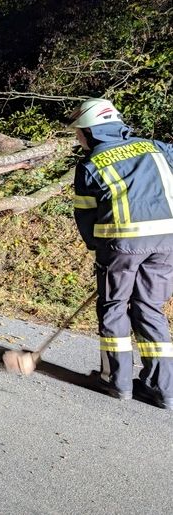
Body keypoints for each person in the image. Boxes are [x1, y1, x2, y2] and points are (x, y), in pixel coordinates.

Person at [70, 98, 173, 409]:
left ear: (91, 131)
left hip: (120, 245)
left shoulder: (90, 164)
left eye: (79, 133)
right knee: (150, 308)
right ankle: (162, 389)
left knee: (114, 307)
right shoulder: (158, 147)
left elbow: (86, 217)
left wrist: (96, 248)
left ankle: (118, 383)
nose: (79, 139)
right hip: (167, 241)